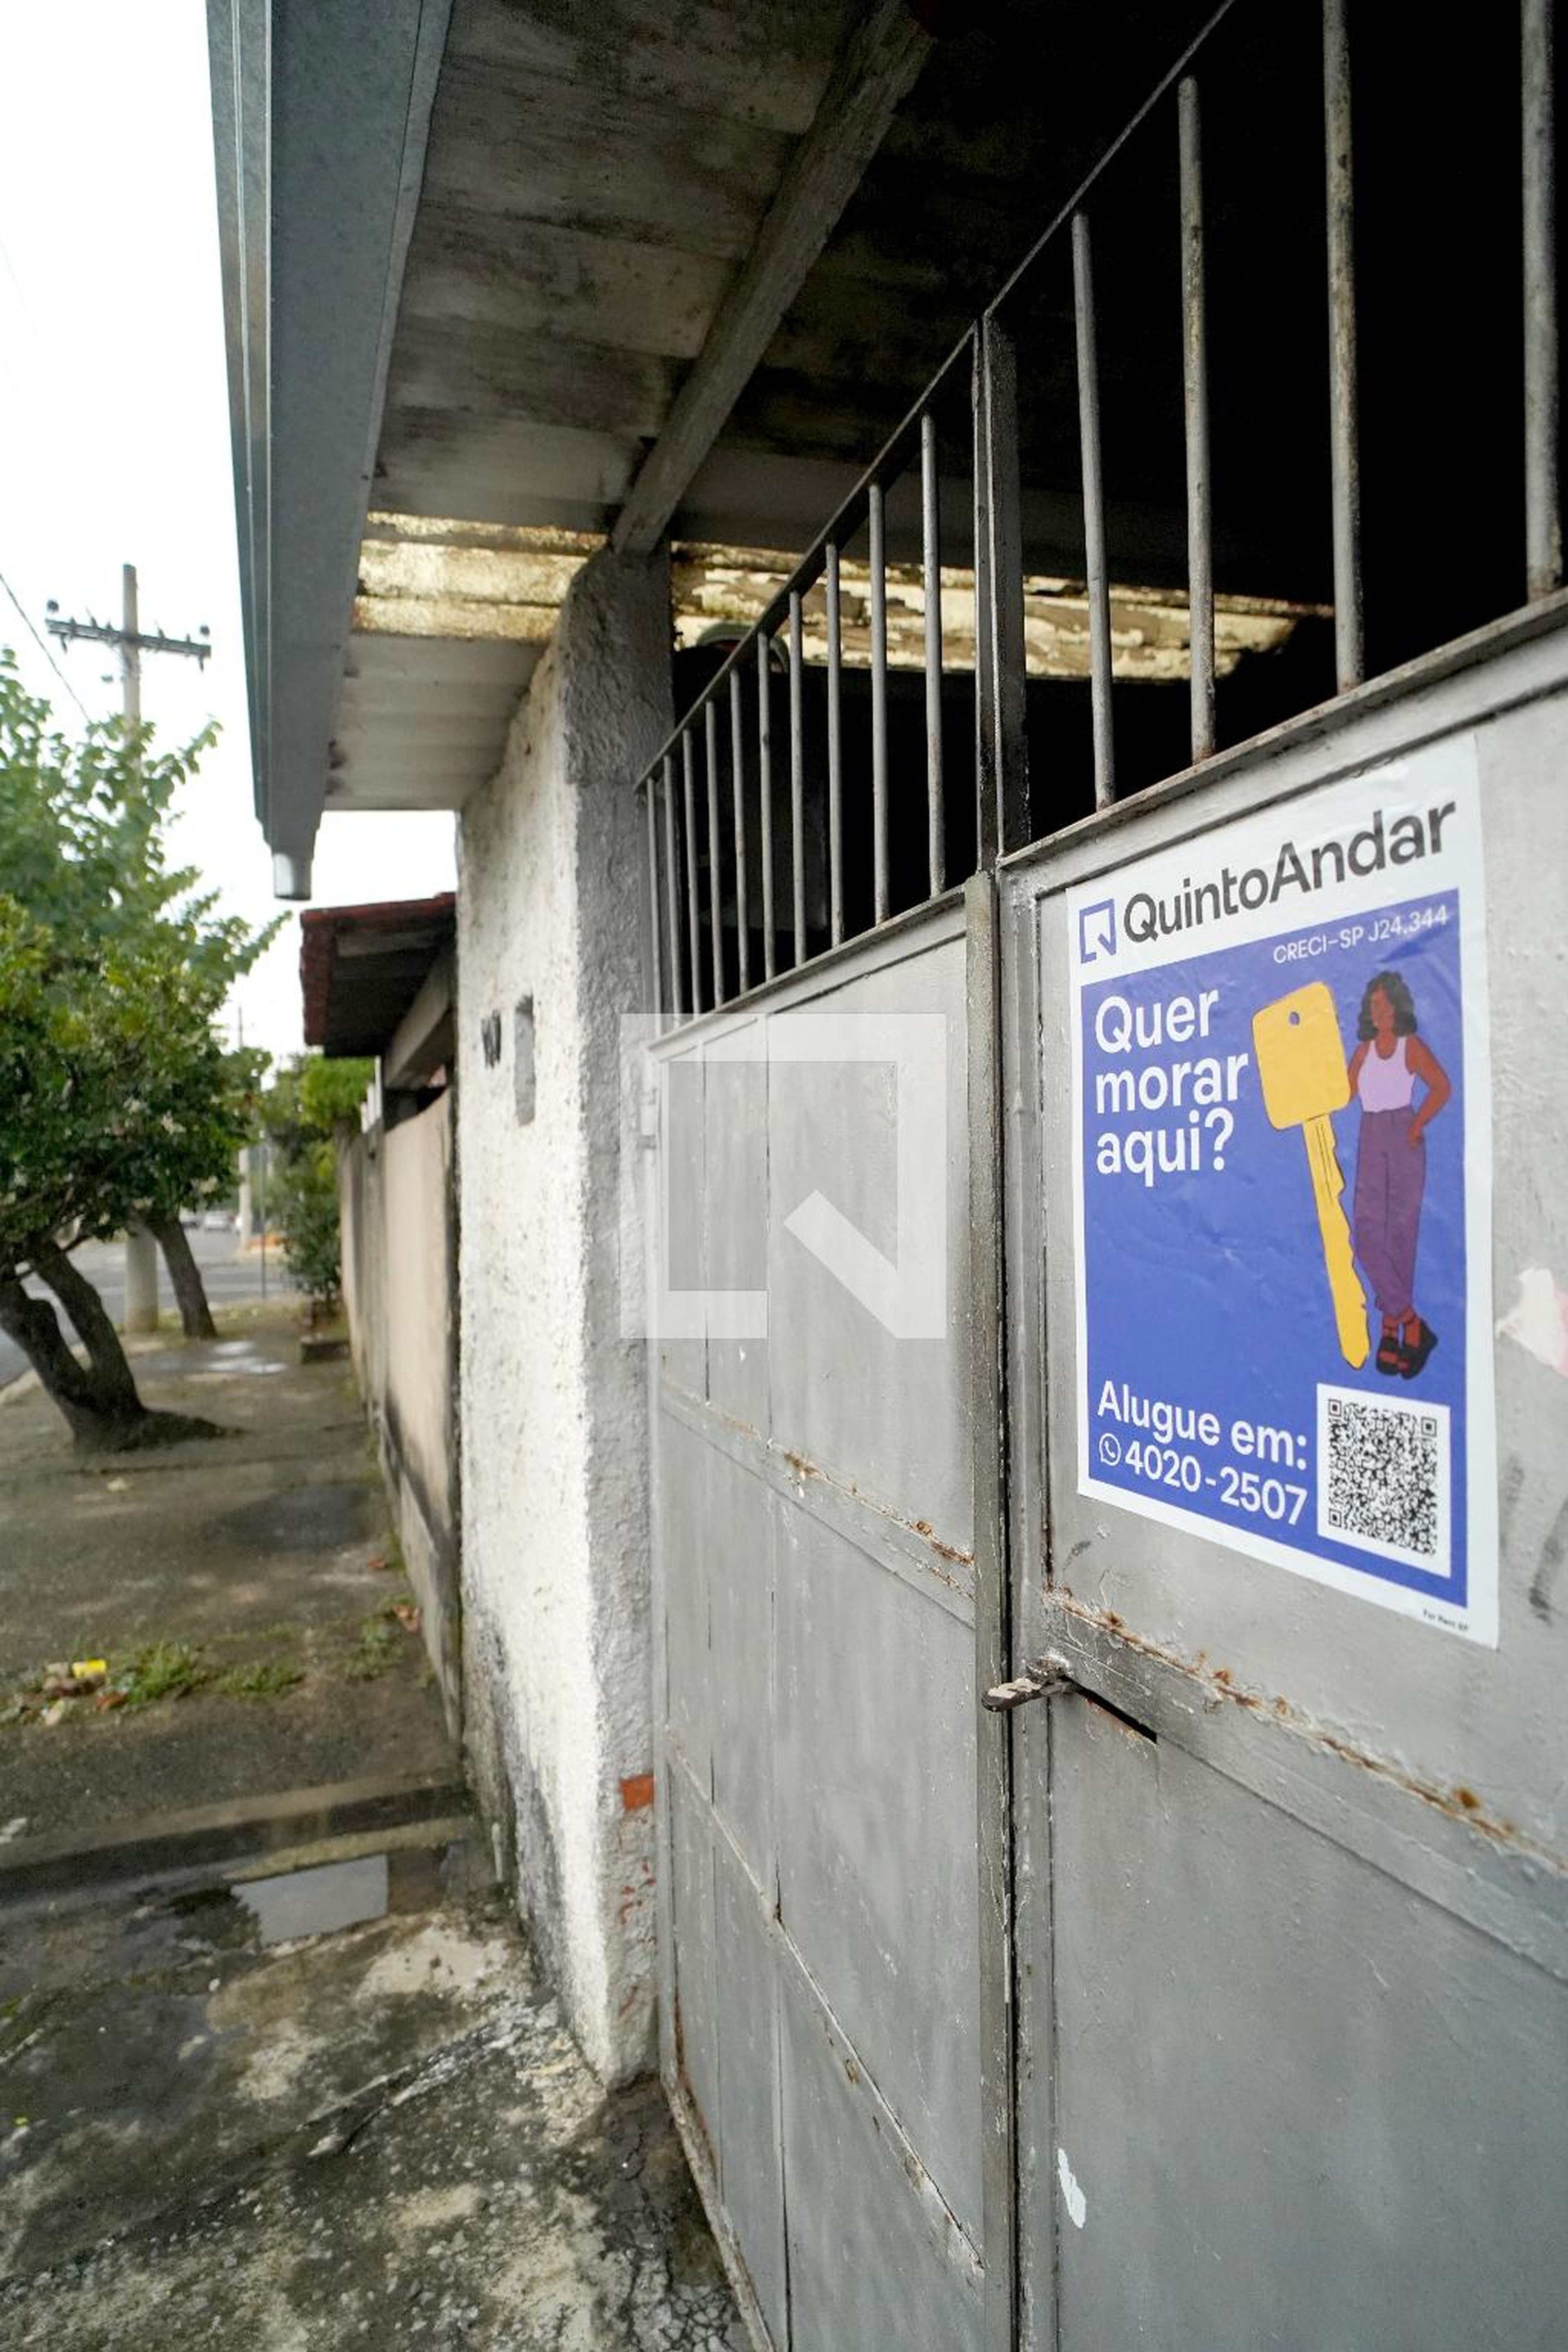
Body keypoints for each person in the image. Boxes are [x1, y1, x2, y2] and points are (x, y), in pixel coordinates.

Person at [1347, 970, 1451, 1378]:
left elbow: (1441, 1087)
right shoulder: (1363, 1053)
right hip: (1372, 1135)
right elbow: (1344, 1092)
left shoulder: (1411, 1048)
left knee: (1401, 1235)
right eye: (1374, 1006)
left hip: (1403, 1136)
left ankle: (1391, 1331)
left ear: (1397, 1007)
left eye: (1385, 1005)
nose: (1379, 1012)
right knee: (1367, 1234)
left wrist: (1416, 1125)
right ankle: (1412, 1322)